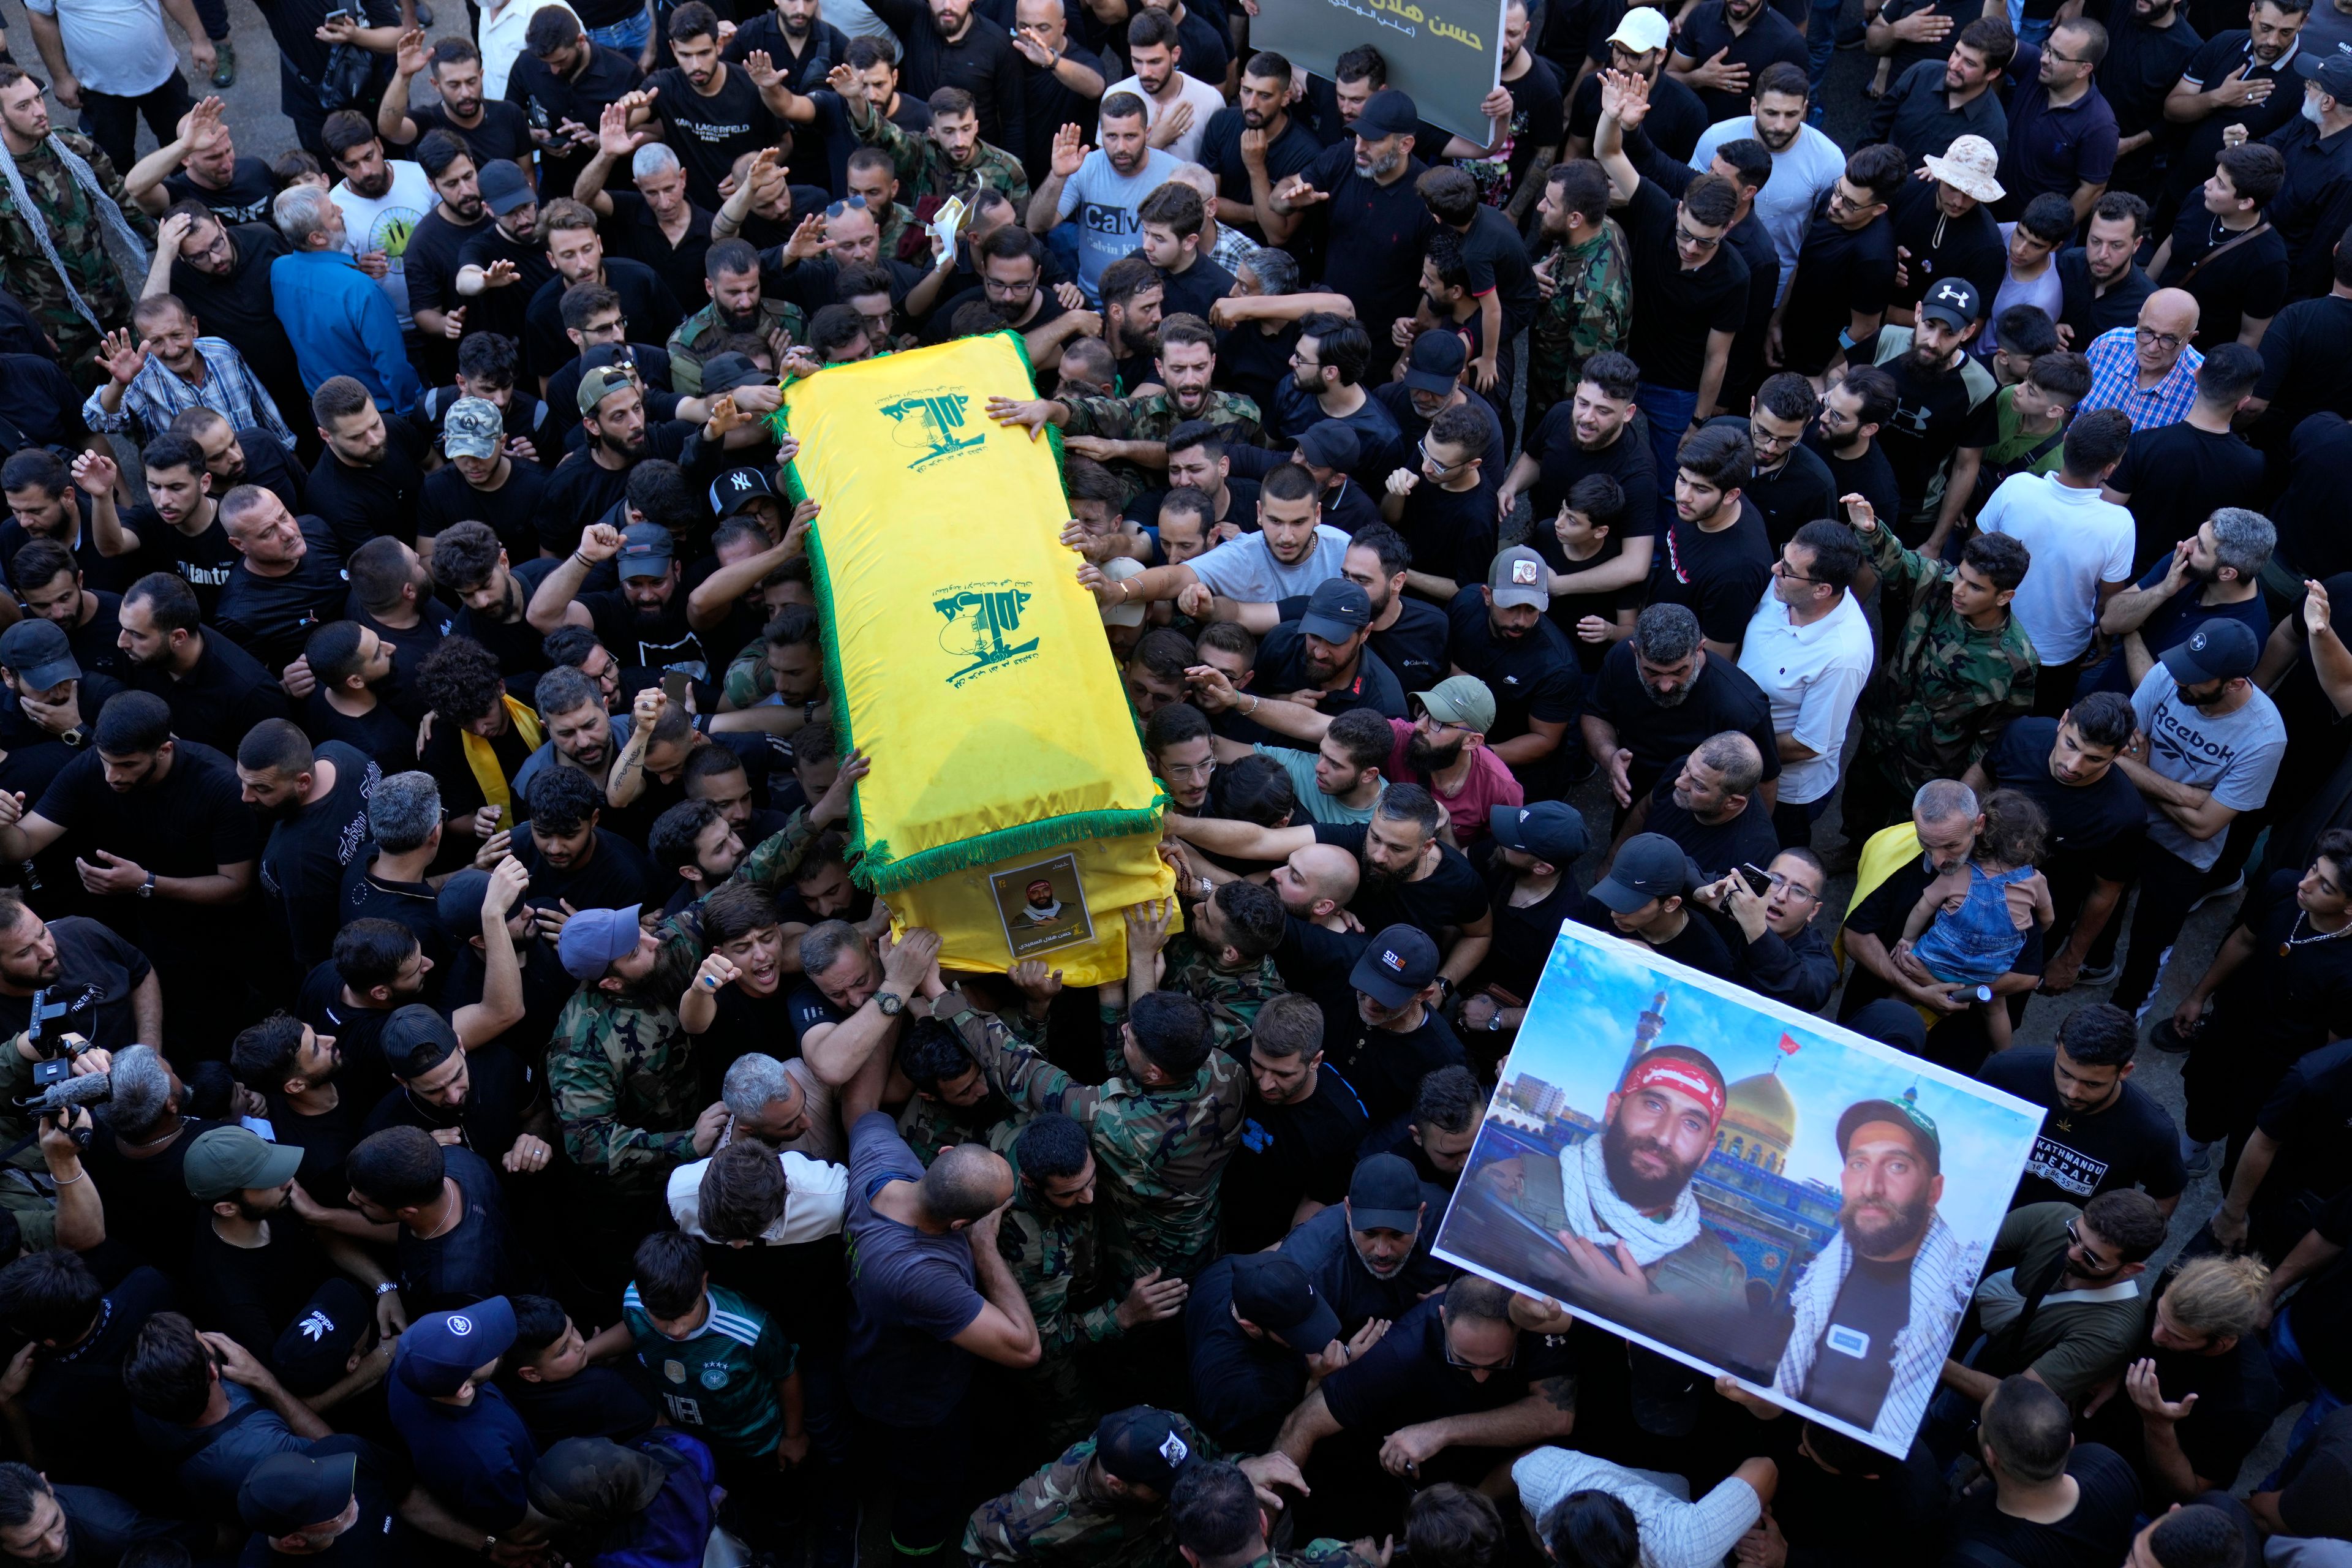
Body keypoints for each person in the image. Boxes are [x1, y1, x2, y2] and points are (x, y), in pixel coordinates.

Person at [2108, 620, 2286, 1019]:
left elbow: (2206, 826)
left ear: (2235, 683)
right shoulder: (2170, 674)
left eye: (2198, 678)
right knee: (2104, 900)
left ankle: (2126, 1012)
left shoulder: (2264, 737)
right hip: (2129, 815)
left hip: (2184, 851)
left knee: (2150, 942)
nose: (2180, 681)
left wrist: (2144, 774)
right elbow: (2115, 753)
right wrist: (2189, 796)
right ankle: (2097, 963)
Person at [1838, 494, 2037, 837]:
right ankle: (1851, 846)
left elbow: (1993, 737)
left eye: (1975, 587)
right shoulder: (1940, 585)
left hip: (1929, 765)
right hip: (1881, 729)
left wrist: (1960, 794)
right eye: (1960, 576)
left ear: (2004, 597)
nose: (1958, 589)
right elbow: (1899, 563)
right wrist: (1870, 530)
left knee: (1907, 837)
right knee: (1860, 797)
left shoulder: (2014, 663)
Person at [0, 64, 154, 391]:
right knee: (89, 411)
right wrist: (25, 330)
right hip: (59, 328)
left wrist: (167, 241)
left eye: (38, 99)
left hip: (114, 302)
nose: (40, 111)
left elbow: (121, 200)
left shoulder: (73, 147)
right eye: (23, 106)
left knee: (147, 388)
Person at [1978, 408, 2136, 712]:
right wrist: (2103, 638)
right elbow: (2108, 601)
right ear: (2110, 468)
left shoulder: (2017, 486)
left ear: (2065, 441)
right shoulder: (2119, 525)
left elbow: (1976, 549)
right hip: (2057, 656)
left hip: (1989, 634)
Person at [1739, 521, 1872, 847]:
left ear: (1822, 590)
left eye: (1787, 569)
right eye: (1783, 557)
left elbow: (1808, 744)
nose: (1775, 570)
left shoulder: (1844, 655)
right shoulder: (1788, 586)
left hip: (1785, 795)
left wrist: (1733, 745)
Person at [1980, 1003, 2188, 1212]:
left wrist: (2122, 1242)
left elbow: (2166, 1193)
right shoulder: (2005, 1073)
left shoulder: (2152, 1130)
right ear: (2058, 1048)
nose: (2072, 1092)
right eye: (2065, 1074)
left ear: (2125, 1071)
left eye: (2092, 1084)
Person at [1948, 1376, 2142, 1566]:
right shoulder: (2108, 1466)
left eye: (1982, 1422)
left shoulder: (1973, 1554)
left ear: (1990, 1458)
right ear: (2071, 1442)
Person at [267, 183, 423, 413]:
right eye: (332, 213)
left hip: (326, 412)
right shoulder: (361, 290)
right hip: (377, 413)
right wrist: (411, 413)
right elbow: (394, 367)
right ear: (317, 238)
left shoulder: (279, 270)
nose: (341, 211)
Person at [1999, 21, 2122, 221]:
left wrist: (2048, 235)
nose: (2045, 59)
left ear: (2084, 69)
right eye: (2047, 47)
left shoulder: (2099, 126)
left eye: (2058, 56)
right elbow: (1995, 41)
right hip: (1989, 211)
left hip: (2032, 232)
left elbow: (2092, 189)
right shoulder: (2035, 67)